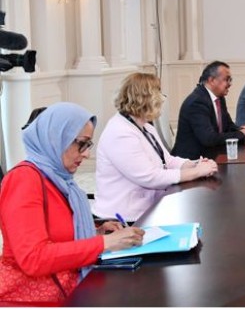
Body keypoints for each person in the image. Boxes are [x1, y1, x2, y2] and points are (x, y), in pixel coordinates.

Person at [0, 102, 144, 305]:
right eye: (81, 144)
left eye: (88, 144)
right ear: (56, 138)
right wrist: (104, 243)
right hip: (31, 301)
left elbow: (57, 234)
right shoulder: (24, 179)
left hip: (69, 287)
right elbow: (33, 258)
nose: (86, 154)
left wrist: (95, 233)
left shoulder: (59, 178)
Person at [94, 73, 219, 222]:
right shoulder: (120, 133)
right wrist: (196, 172)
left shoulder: (145, 126)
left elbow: (167, 160)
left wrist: (194, 164)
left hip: (149, 209)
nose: (162, 99)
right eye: (158, 93)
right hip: (125, 219)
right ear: (145, 98)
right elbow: (150, 177)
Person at [172, 61, 245, 160]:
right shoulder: (197, 102)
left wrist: (241, 129)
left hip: (211, 154)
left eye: (230, 80)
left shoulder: (219, 97)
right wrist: (241, 134)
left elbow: (228, 125)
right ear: (211, 80)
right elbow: (208, 138)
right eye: (227, 79)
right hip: (192, 160)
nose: (230, 84)